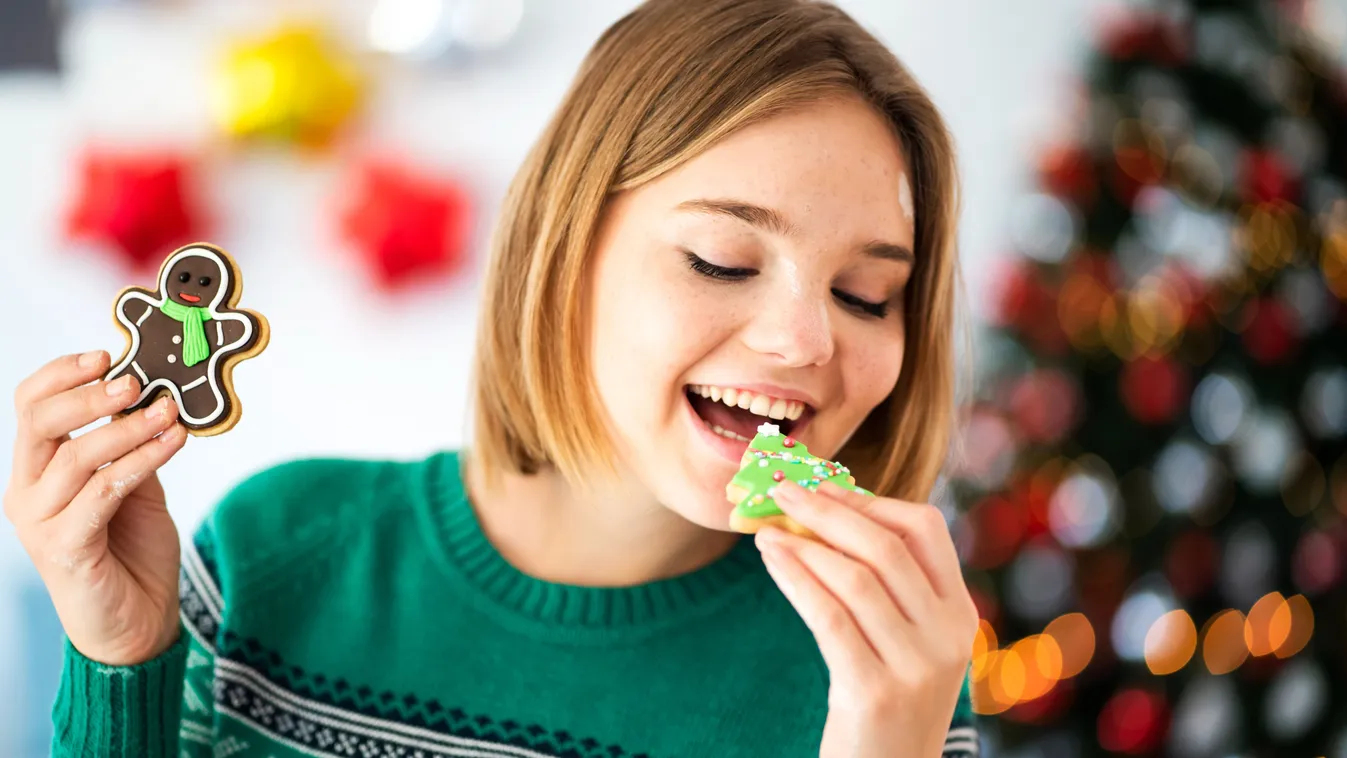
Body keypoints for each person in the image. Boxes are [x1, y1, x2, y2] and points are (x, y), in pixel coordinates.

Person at [3, 0, 982, 755]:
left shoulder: (884, 670)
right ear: (566, 253)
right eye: (723, 258)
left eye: (865, 293)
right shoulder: (275, 556)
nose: (808, 337)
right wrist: (119, 659)